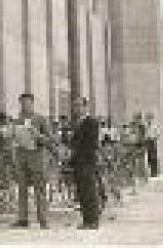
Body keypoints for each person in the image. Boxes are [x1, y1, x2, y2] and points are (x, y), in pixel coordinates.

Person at [12, 93, 50, 229]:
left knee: (39, 190)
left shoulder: (41, 119)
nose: (24, 106)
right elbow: (13, 139)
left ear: (32, 103)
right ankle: (22, 219)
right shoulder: (17, 120)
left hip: (37, 158)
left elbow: (49, 139)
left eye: (27, 103)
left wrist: (37, 135)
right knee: (21, 190)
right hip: (21, 157)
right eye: (22, 103)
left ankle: (43, 220)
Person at [71, 97, 100, 230]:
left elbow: (91, 144)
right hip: (78, 162)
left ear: (85, 107)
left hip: (87, 161)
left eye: (79, 106)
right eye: (75, 106)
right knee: (82, 192)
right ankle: (86, 220)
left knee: (90, 191)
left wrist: (78, 153)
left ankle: (93, 220)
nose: (76, 109)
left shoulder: (92, 122)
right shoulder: (77, 123)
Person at [144, 113, 159, 178]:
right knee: (148, 157)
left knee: (153, 157)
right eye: (148, 118)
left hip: (152, 141)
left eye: (150, 118)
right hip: (147, 141)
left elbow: (157, 135)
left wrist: (154, 139)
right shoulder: (145, 127)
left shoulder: (154, 126)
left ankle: (154, 172)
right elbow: (144, 135)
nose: (149, 120)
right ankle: (149, 172)